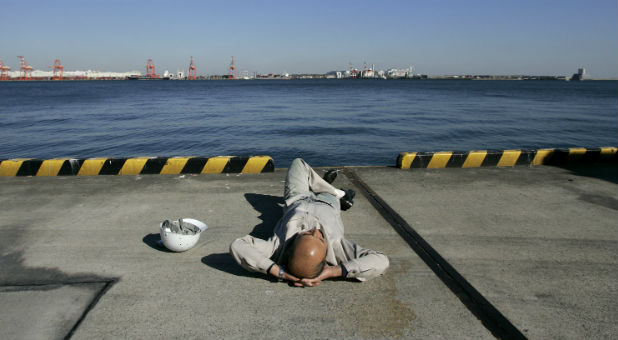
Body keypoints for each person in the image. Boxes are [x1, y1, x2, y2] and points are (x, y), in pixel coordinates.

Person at [230, 158, 389, 287]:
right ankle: (337, 194)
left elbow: (237, 246)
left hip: (297, 198)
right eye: (321, 239)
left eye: (305, 234)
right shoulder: (337, 247)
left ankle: (330, 188)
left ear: (291, 247)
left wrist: (278, 271)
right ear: (325, 258)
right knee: (327, 192)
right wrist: (332, 272)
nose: (315, 230)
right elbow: (381, 260)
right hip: (327, 202)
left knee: (298, 163)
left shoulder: (278, 245)